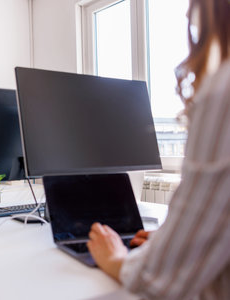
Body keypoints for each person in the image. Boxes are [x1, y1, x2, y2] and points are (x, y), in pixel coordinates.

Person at [87, 0, 230, 299]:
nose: (189, 12)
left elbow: (161, 283)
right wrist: (176, 241)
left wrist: (116, 259)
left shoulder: (223, 94)